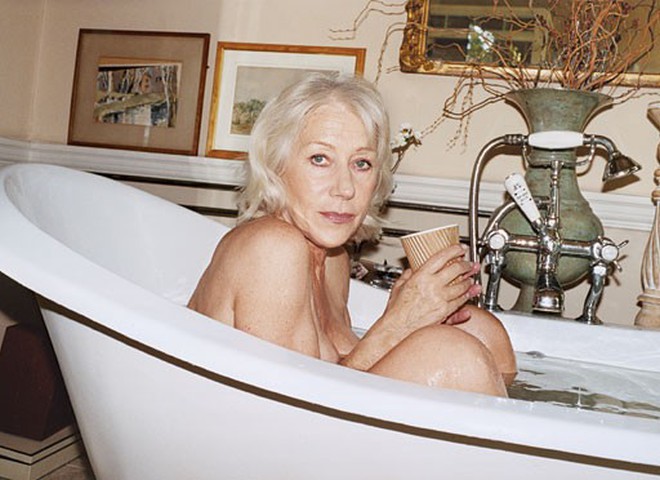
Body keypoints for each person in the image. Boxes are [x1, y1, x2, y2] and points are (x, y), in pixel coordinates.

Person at [188, 72, 516, 396]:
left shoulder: (333, 259)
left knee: (479, 328)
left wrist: (410, 313)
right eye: (320, 159)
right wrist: (399, 323)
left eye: (361, 163)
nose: (345, 188)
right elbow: (287, 408)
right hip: (246, 427)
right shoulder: (271, 247)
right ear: (276, 165)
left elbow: (339, 368)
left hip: (312, 419)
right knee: (455, 355)